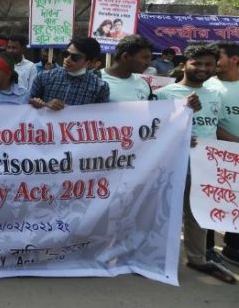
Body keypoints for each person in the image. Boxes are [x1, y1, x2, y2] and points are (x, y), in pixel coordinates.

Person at [155, 44, 235, 283]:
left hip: (206, 164)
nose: (203, 68)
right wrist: (179, 130)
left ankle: (197, 258)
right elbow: (154, 130)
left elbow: (215, 127)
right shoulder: (165, 94)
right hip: (173, 162)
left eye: (208, 64)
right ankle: (157, 256)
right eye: (197, 63)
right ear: (184, 64)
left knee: (198, 213)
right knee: (165, 211)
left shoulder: (215, 95)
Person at [204, 42, 239, 267]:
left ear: (234, 59)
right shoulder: (208, 87)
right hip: (217, 157)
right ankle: (206, 250)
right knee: (211, 202)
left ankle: (233, 248)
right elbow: (209, 121)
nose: (215, 61)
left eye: (219, 56)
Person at [30, 37, 110, 110]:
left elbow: (100, 117)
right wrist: (44, 104)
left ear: (88, 63)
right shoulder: (44, 77)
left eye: (75, 57)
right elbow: (27, 105)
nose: (68, 59)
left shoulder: (100, 87)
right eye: (66, 54)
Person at [100, 35, 155, 102]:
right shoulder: (95, 81)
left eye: (150, 58)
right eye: (145, 58)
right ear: (125, 57)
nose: (149, 63)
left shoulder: (144, 84)